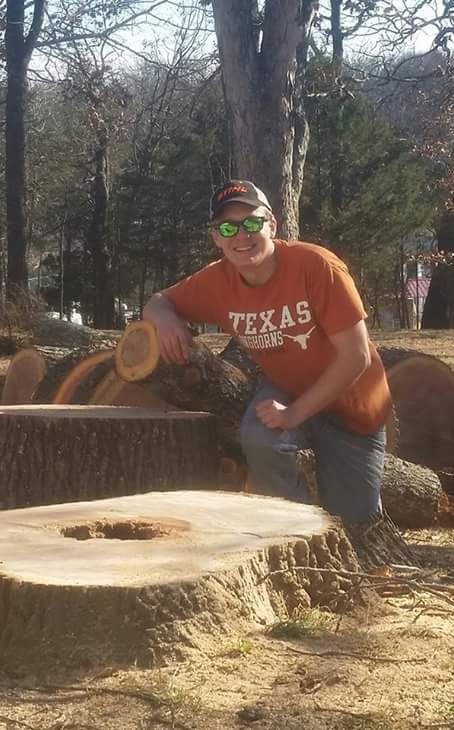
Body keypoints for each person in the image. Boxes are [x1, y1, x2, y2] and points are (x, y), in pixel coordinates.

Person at [142, 179, 393, 528]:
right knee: (259, 436)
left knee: (358, 526)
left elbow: (356, 357)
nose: (241, 236)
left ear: (272, 225)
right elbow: (157, 301)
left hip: (354, 405)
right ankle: (298, 530)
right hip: (289, 387)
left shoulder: (317, 267)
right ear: (216, 237)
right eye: (228, 227)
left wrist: (294, 414)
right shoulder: (217, 282)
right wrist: (166, 319)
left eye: (252, 223)